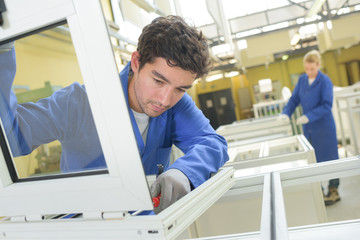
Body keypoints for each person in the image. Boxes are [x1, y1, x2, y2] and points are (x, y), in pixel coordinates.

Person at [0, 16, 229, 213]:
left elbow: (212, 143)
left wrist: (184, 171)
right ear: (136, 62)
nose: (165, 100)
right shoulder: (80, 102)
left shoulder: (178, 107)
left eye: (180, 89)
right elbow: (13, 139)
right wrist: (3, 50)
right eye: (158, 81)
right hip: (87, 226)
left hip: (149, 225)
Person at [279, 49, 340, 205]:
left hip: (324, 127)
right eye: (307, 69)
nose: (309, 72)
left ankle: (334, 190)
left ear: (318, 65)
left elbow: (327, 105)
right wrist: (286, 113)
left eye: (312, 69)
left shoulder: (325, 81)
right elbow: (294, 100)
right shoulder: (302, 80)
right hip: (309, 129)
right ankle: (318, 190)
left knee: (331, 159)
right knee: (311, 159)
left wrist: (308, 116)